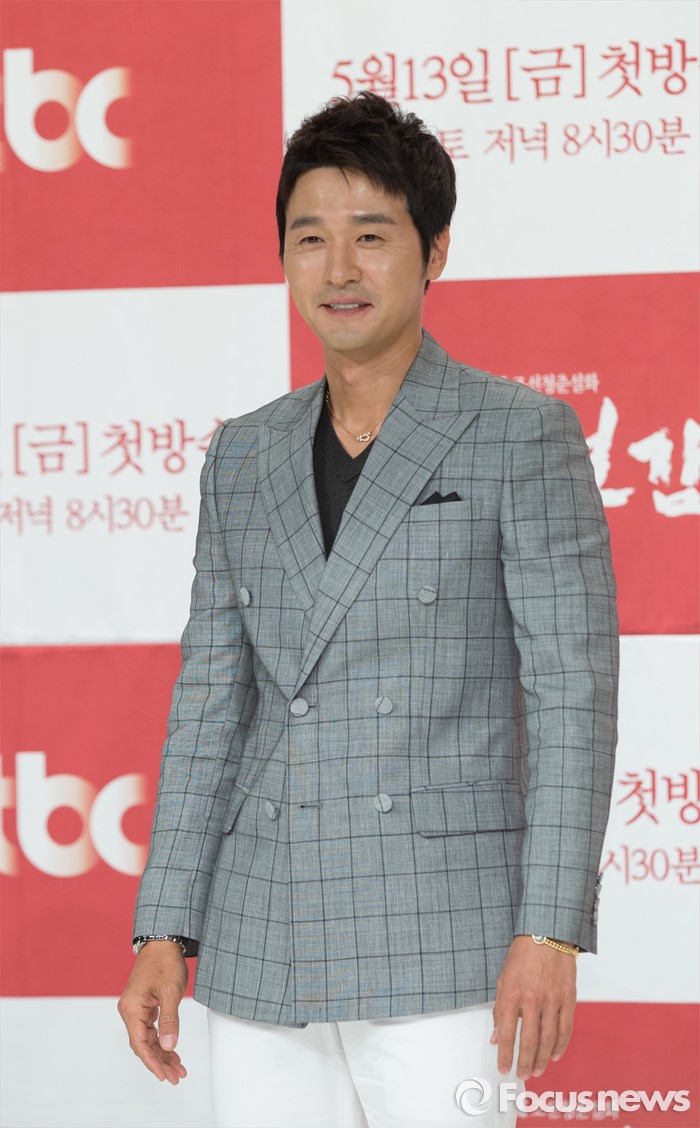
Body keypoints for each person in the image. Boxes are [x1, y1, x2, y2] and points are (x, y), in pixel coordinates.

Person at [118, 91, 619, 1128]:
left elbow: (572, 698)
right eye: (311, 238)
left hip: (445, 933)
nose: (338, 269)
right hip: (262, 931)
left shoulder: (519, 434)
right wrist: (163, 926)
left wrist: (550, 931)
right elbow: (210, 701)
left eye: (371, 236)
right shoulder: (242, 453)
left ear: (434, 252)